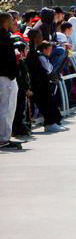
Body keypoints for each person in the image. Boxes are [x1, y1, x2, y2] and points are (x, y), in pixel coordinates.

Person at [0, 12, 21, 149]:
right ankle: (3, 139)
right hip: (5, 76)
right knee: (6, 108)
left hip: (4, 75)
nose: (13, 22)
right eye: (11, 20)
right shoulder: (4, 37)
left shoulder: (6, 37)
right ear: (5, 22)